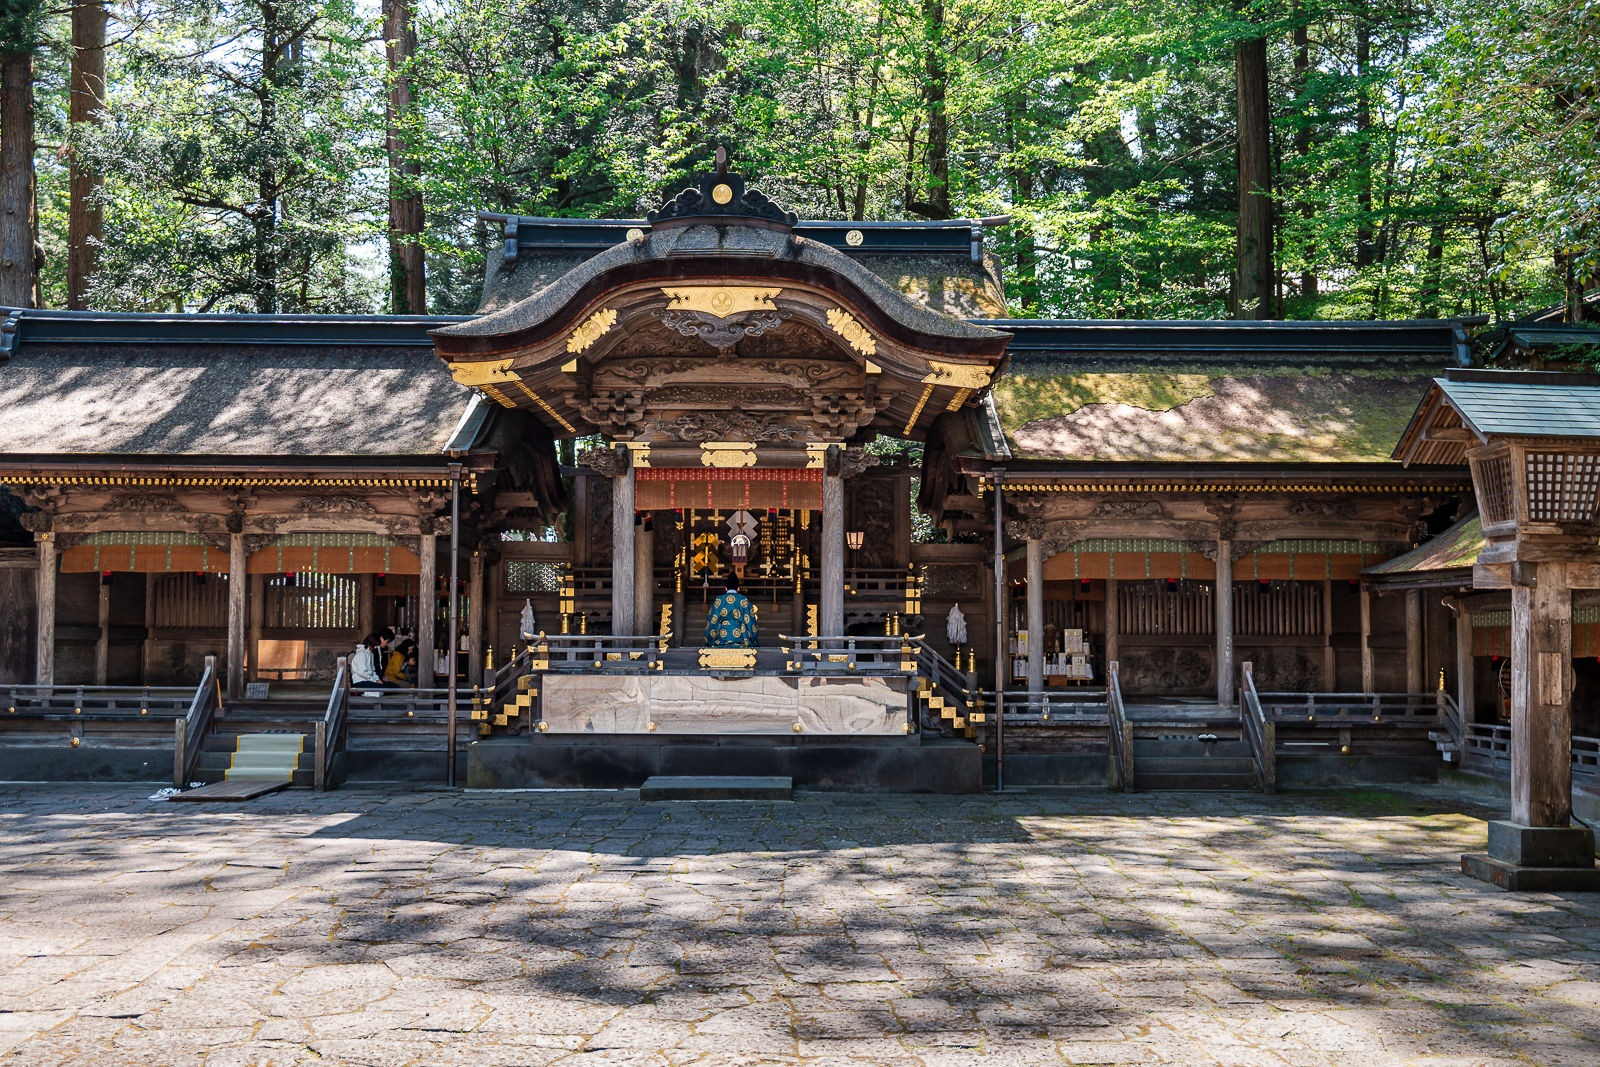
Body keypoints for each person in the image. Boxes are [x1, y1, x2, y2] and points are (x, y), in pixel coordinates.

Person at [703, 574, 758, 648]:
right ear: (738, 588)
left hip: (722, 638)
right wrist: (753, 640)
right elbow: (750, 622)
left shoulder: (719, 600)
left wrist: (709, 640)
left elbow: (712, 621)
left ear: (726, 588)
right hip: (740, 639)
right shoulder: (743, 600)